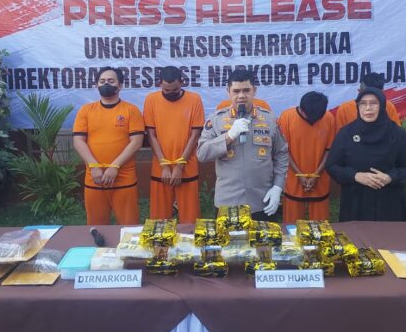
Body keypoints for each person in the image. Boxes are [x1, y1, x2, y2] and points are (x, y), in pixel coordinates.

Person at [197, 69, 288, 221]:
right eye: (236, 91)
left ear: (254, 90)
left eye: (246, 90)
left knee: (264, 238)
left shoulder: (269, 119)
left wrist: (278, 187)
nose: (241, 96)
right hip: (228, 202)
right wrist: (229, 136)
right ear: (228, 91)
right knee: (227, 237)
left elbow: (281, 153)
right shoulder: (216, 120)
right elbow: (202, 154)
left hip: (262, 201)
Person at [326, 87, 406, 221]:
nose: (368, 108)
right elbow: (332, 166)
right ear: (358, 107)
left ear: (382, 106)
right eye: (363, 103)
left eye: (373, 103)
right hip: (356, 202)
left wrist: (390, 177)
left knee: (390, 235)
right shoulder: (346, 133)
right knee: (355, 234)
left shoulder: (397, 133)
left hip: (389, 202)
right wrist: (355, 176)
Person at [72, 67, 144, 225]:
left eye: (111, 81)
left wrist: (115, 167)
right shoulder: (86, 110)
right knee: (96, 226)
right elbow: (78, 141)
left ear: (120, 85)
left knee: (129, 226)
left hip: (123, 177)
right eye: (102, 81)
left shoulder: (131, 110)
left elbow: (136, 142)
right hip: (94, 176)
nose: (106, 84)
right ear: (96, 85)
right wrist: (94, 166)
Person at [143, 66, 205, 223]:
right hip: (160, 166)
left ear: (182, 82)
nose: (170, 93)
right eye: (166, 90)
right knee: (159, 220)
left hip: (187, 166)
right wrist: (164, 165)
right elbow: (151, 135)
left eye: (175, 90)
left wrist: (179, 166)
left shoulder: (194, 99)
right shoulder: (151, 100)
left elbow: (195, 135)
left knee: (190, 219)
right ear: (159, 84)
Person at [277, 92, 336, 222]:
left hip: (320, 178)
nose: (313, 120)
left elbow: (329, 150)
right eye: (309, 116)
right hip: (293, 178)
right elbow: (283, 151)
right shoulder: (286, 117)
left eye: (317, 118)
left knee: (320, 226)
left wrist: (316, 175)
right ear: (301, 109)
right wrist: (299, 175)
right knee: (292, 225)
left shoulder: (329, 118)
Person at [334, 72, 401, 133]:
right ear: (359, 91)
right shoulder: (345, 109)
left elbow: (395, 135)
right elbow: (340, 138)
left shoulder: (388, 107)